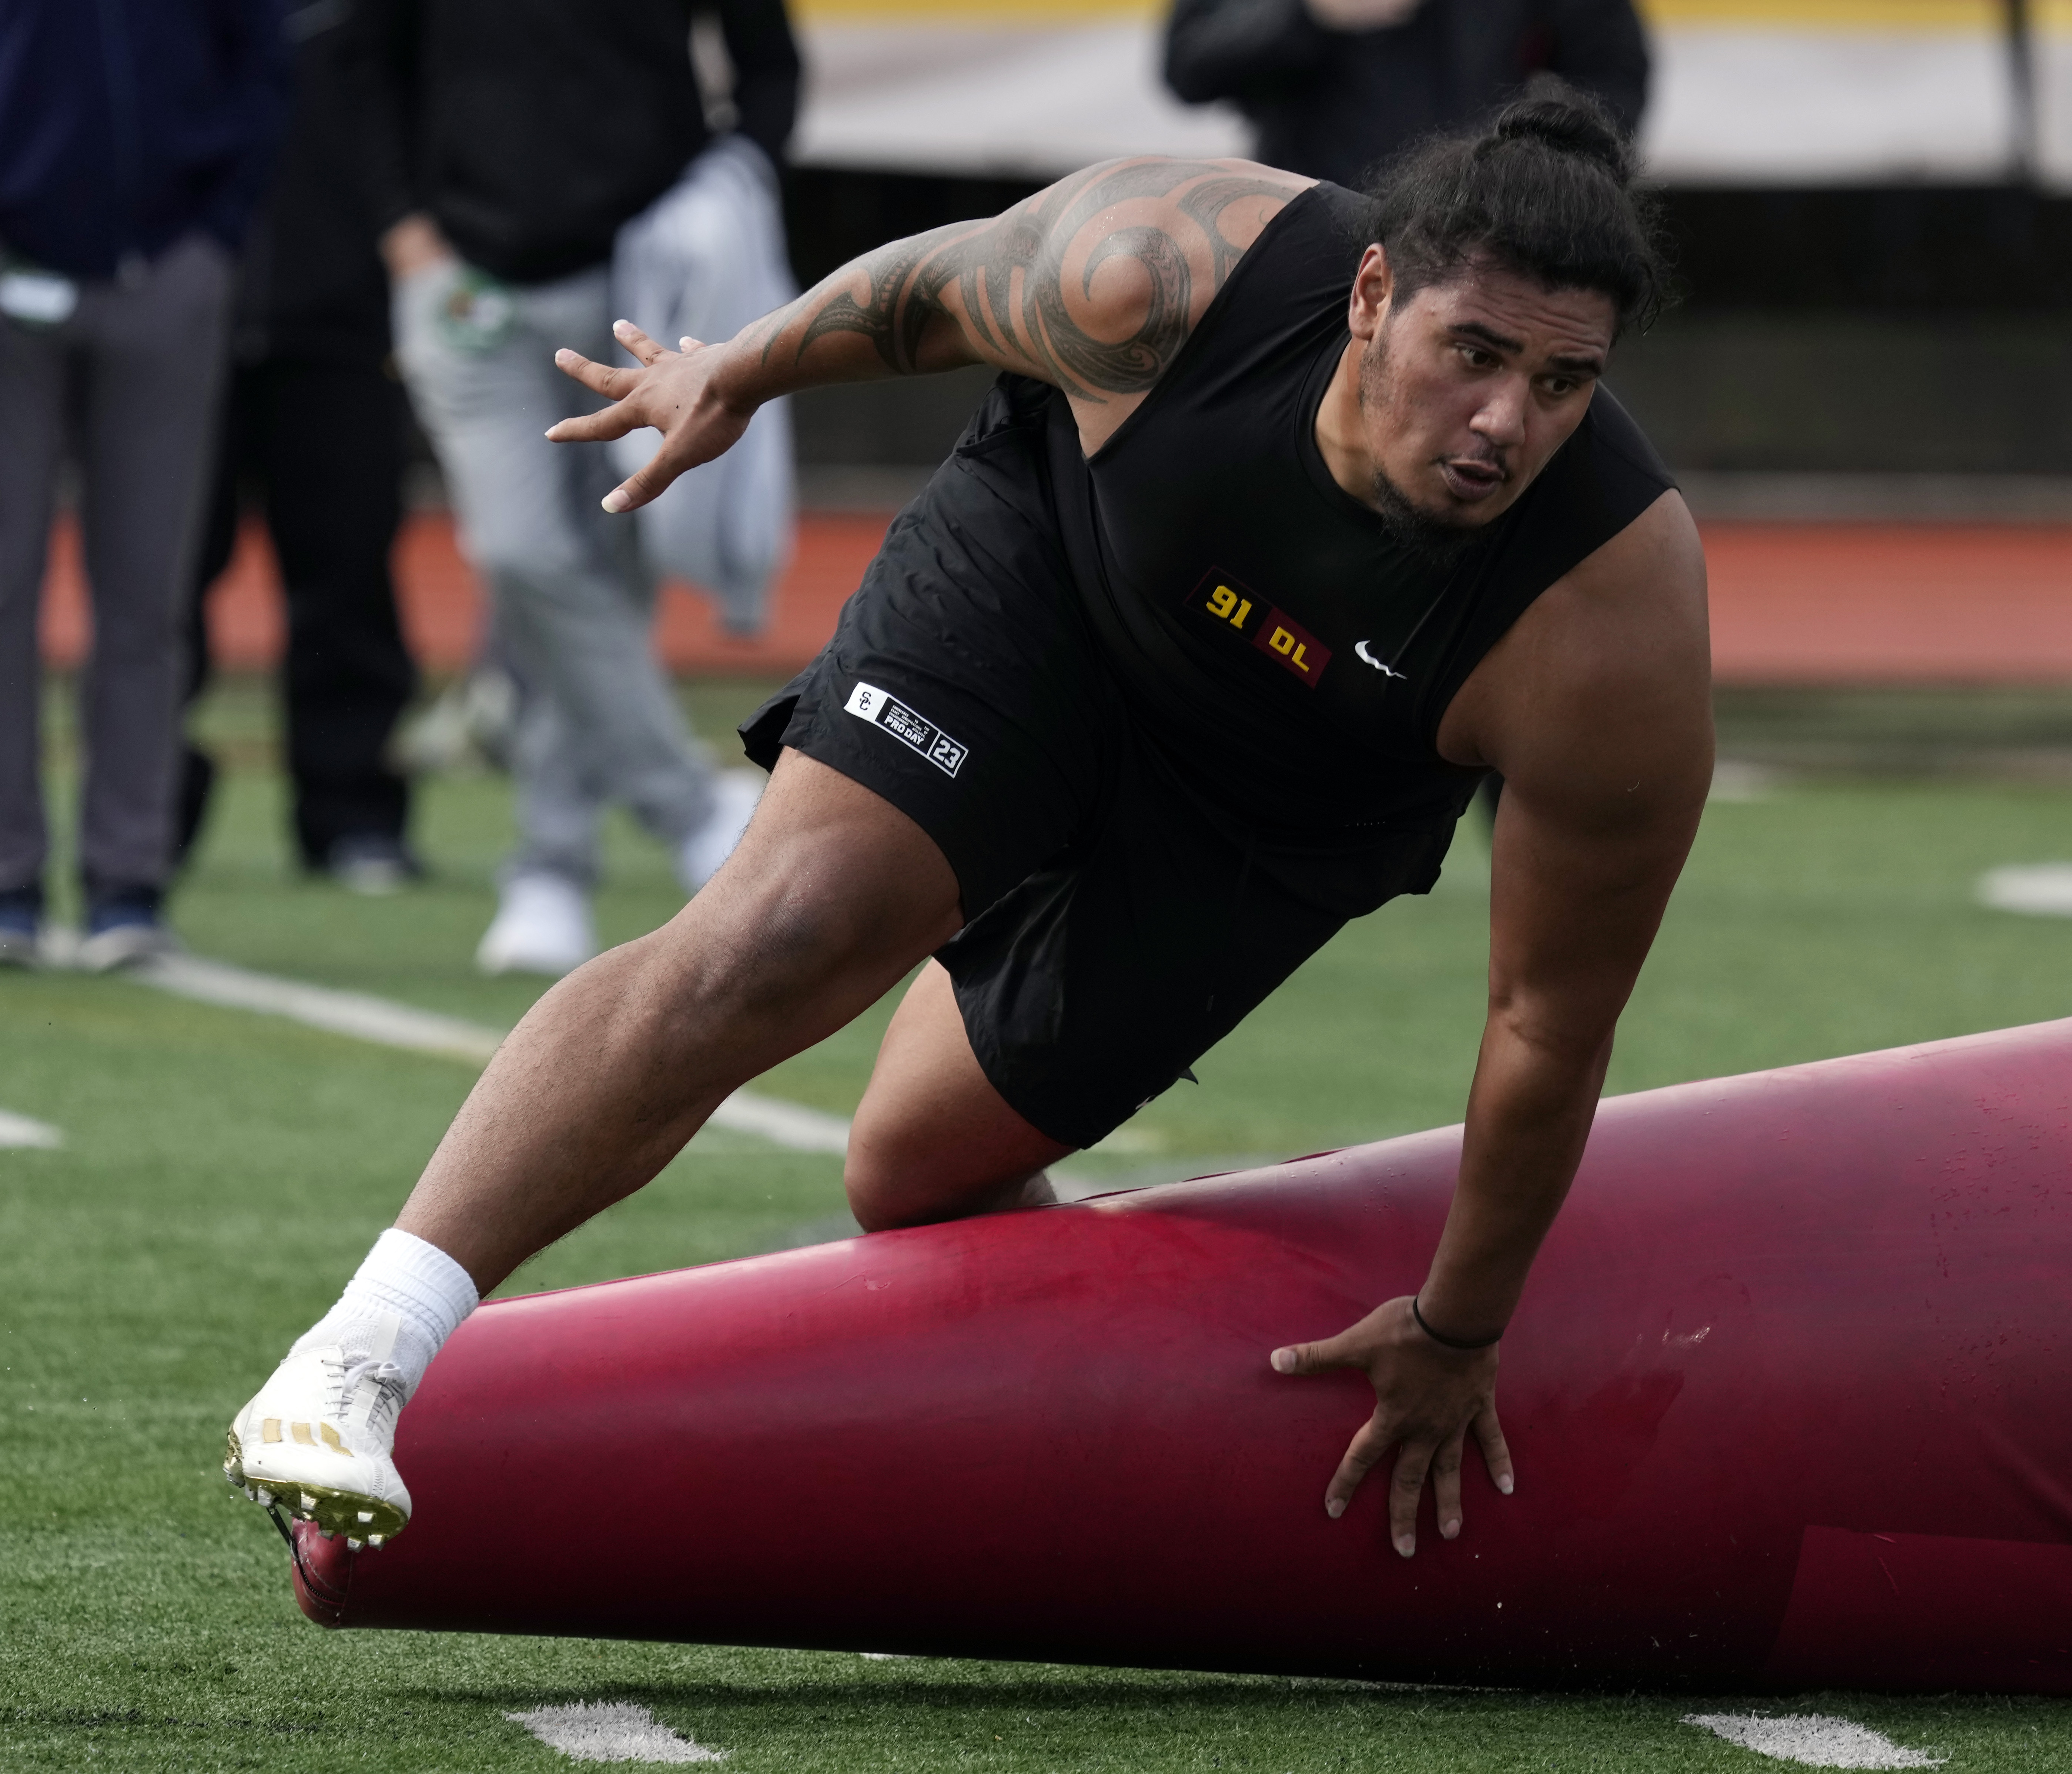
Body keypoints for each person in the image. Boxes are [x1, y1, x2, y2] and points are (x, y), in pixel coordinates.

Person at [223, 91, 1712, 1565]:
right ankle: (358, 1353)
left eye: (1562, 384)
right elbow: (932, 290)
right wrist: (737, 371)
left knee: (913, 1172)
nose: (1507, 422)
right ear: (1373, 295)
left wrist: (1462, 1326)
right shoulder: (1174, 265)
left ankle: (1027, 1450)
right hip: (1049, 579)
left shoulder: (1607, 618)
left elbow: (1543, 1023)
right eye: (1474, 354)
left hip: (1275, 810)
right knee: (789, 927)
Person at [344, 0, 800, 974]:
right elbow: (360, 63)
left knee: (615, 560)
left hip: (644, 275)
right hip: (465, 281)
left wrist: (726, 190)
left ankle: (551, 870)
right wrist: (402, 231)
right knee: (518, 550)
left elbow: (770, 67)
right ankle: (687, 806)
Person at [0, 0, 285, 968]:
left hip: (168, 271)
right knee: (3, 588)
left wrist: (216, 232)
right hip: (10, 278)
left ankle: (129, 879)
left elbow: (261, 63)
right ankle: (9, 881)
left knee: (148, 592)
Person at [178, 0, 422, 892]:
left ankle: (354, 813)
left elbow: (409, 104)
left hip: (343, 313)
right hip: (184, 307)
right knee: (162, 580)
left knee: (349, 569)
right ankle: (147, 813)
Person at [1164, 0, 1650, 188]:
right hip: (1312, 235)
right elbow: (1188, 64)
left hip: (1483, 243)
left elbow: (1616, 85)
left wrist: (1533, 174)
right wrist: (1308, 16)